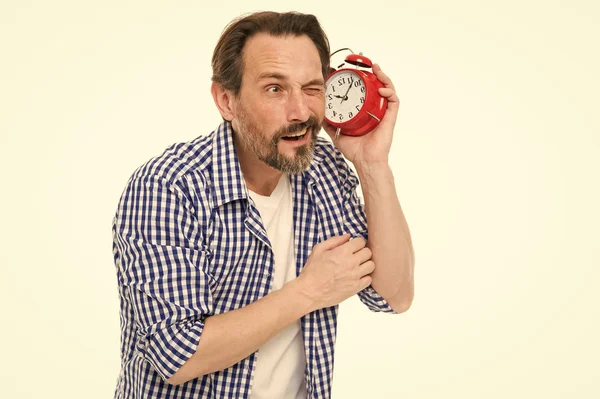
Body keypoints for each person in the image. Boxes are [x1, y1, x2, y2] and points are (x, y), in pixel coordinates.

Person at [111, 11, 415, 399]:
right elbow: (176, 356)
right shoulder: (168, 187)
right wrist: (309, 290)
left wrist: (373, 166)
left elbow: (394, 295)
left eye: (311, 88)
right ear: (226, 100)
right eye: (275, 89)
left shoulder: (323, 170)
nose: (301, 112)